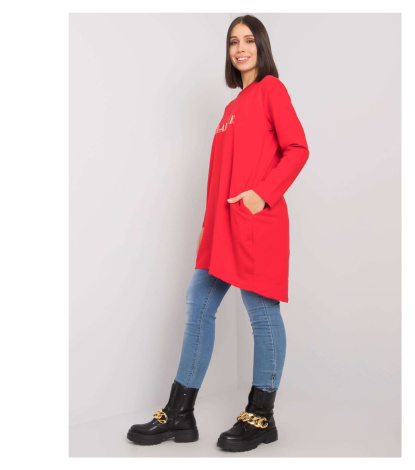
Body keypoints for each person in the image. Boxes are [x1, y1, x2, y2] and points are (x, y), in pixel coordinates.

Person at [127, 14, 309, 453]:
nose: (240, 49)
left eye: (248, 40)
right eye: (233, 42)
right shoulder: (231, 109)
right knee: (199, 302)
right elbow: (220, 175)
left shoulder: (271, 90)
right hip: (222, 228)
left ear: (261, 47)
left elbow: (297, 149)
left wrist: (261, 195)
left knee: (261, 311)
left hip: (256, 224)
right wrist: (207, 227)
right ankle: (180, 413)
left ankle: (261, 416)